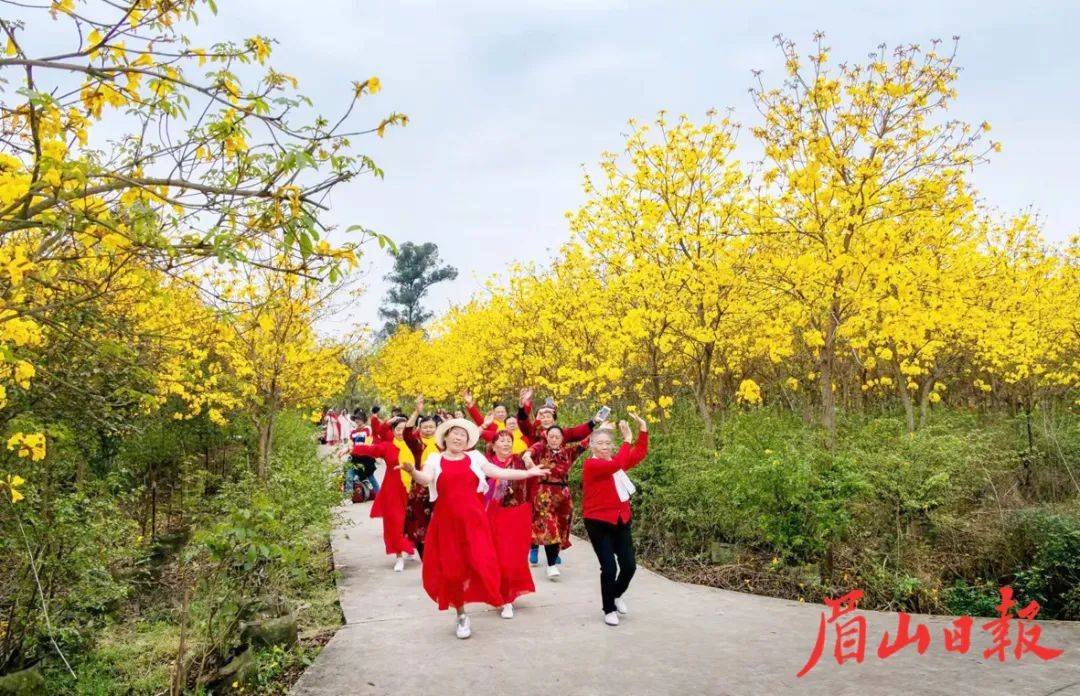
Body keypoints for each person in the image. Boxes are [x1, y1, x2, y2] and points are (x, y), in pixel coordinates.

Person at [401, 418, 546, 639]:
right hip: (447, 525)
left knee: (483, 562)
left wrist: (528, 473)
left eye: (463, 435)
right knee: (453, 570)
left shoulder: (475, 458)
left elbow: (499, 472)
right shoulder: (435, 459)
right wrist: (412, 471)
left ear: (468, 440)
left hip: (475, 523)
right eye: (455, 434)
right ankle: (461, 615)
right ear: (446, 437)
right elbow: (425, 479)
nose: (459, 438)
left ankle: (502, 598)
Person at [581, 413, 649, 626]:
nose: (604, 446)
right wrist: (626, 439)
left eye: (608, 443)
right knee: (609, 568)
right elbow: (617, 464)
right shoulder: (592, 465)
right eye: (600, 443)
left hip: (621, 520)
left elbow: (638, 454)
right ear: (592, 446)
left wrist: (643, 431)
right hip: (598, 522)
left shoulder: (614, 462)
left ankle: (616, 594)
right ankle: (608, 608)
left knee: (629, 566)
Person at [521, 424, 591, 578]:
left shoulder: (568, 453)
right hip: (544, 495)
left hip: (563, 495)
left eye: (557, 436)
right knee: (550, 529)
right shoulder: (541, 449)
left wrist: (600, 428)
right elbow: (532, 449)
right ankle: (551, 565)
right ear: (547, 437)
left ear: (562, 439)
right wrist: (527, 454)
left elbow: (585, 443)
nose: (554, 439)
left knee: (560, 529)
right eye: (551, 436)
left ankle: (552, 557)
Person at [350, 416, 416, 571]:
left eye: (403, 429)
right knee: (394, 522)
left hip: (414, 488)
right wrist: (353, 448)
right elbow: (372, 449)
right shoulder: (388, 446)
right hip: (393, 489)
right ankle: (398, 555)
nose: (401, 432)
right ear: (392, 431)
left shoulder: (413, 444)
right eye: (397, 429)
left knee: (412, 520)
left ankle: (410, 546)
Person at [483, 429, 536, 619]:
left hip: (517, 514)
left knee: (514, 556)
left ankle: (508, 596)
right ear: (494, 445)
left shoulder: (520, 460)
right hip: (492, 514)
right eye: (501, 440)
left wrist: (530, 457)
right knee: (496, 556)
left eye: (509, 440)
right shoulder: (486, 463)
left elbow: (538, 444)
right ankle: (502, 595)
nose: (506, 444)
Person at [402, 397, 439, 557]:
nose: (429, 430)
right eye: (426, 427)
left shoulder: (443, 444)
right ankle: (425, 557)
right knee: (418, 525)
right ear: (420, 428)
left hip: (440, 487)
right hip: (420, 488)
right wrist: (417, 411)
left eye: (432, 427)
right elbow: (407, 432)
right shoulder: (417, 443)